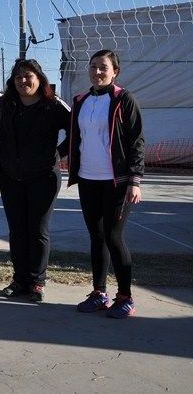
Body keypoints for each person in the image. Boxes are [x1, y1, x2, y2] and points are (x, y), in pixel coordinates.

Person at [68, 49, 144, 319]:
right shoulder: (81, 100)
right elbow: (75, 137)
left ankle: (125, 297)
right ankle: (99, 293)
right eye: (93, 66)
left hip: (116, 181)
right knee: (96, 236)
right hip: (87, 178)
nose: (97, 72)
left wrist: (134, 181)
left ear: (115, 72)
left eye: (103, 67)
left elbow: (136, 142)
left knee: (113, 236)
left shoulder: (124, 99)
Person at [0, 59, 70, 302]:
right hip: (11, 177)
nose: (23, 81)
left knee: (38, 230)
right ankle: (20, 279)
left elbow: (76, 129)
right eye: (18, 77)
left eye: (28, 76)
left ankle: (37, 281)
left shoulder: (52, 106)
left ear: (39, 79)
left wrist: (59, 153)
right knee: (17, 230)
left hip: (44, 178)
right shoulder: (5, 104)